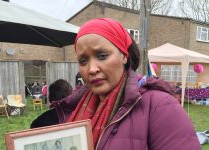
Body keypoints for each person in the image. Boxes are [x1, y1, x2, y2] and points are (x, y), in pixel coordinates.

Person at [51, 18, 201, 149]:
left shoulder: (159, 106)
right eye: (83, 61)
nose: (92, 69)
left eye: (102, 56)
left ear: (124, 55)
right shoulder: (74, 106)